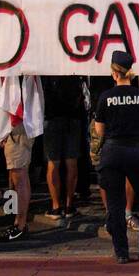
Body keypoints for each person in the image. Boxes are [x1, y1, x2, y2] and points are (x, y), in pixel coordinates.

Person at [92, 51, 139, 264]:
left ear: (114, 73)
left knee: (115, 204)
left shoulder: (105, 97)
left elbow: (99, 131)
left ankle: (121, 252)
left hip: (112, 153)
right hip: (136, 152)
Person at [0, 74, 44, 243]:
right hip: (17, 125)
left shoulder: (19, 69)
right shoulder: (19, 68)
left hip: (17, 127)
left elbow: (15, 100)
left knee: (19, 175)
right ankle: (18, 221)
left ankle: (20, 224)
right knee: (19, 175)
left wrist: (7, 128)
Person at [40, 74, 87, 225]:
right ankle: (68, 205)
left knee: (53, 163)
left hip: (52, 116)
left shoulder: (47, 69)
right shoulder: (72, 68)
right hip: (72, 116)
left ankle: (56, 206)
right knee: (71, 162)